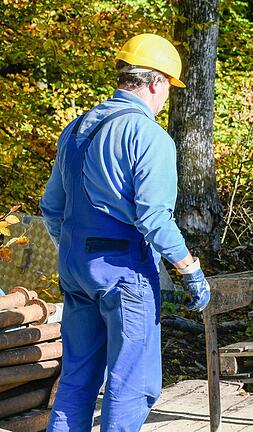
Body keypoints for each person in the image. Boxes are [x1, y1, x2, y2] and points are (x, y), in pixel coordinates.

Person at [40, 33, 211, 431]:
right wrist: (189, 270)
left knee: (78, 379)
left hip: (75, 269)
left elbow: (51, 207)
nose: (168, 95)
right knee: (133, 383)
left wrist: (74, 251)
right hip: (123, 272)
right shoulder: (149, 136)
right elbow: (154, 217)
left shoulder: (76, 129)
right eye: (169, 86)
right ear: (155, 82)